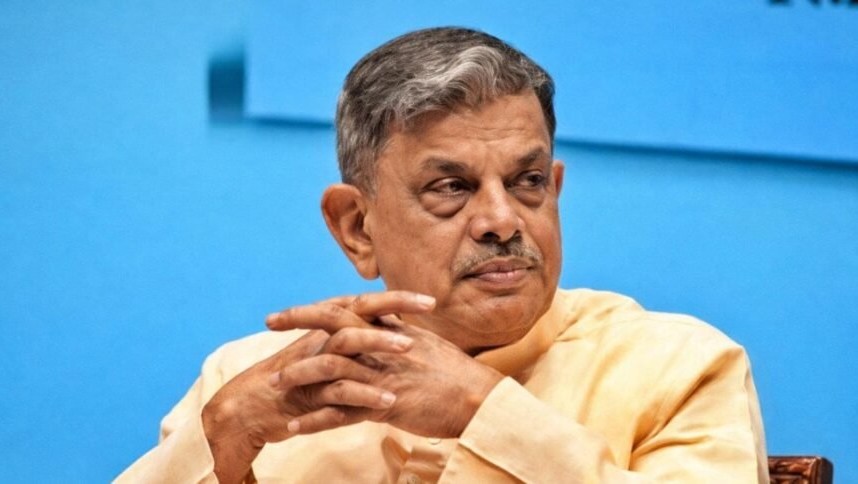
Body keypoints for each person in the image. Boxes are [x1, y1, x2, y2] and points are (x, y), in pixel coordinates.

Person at [117, 27, 768, 483]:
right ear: (357, 229)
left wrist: (484, 412)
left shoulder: (679, 369)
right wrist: (223, 435)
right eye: (451, 187)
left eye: (527, 181)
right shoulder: (251, 381)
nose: (502, 220)